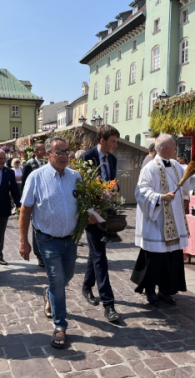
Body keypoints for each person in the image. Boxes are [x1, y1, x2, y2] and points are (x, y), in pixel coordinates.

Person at [19, 135, 96, 349]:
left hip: (70, 239)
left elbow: (83, 204)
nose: (65, 156)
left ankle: (49, 294)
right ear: (48, 154)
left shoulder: (76, 177)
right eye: (59, 152)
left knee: (67, 276)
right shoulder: (36, 177)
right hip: (47, 239)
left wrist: (91, 214)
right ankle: (60, 325)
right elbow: (25, 210)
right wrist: (23, 241)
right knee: (58, 280)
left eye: (67, 151)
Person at [131, 134, 195, 306]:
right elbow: (141, 192)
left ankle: (165, 290)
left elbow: (189, 181)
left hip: (174, 220)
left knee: (171, 259)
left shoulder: (175, 166)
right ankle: (150, 290)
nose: (176, 148)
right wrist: (159, 197)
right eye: (173, 145)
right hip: (157, 222)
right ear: (165, 148)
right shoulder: (149, 168)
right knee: (155, 260)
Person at [80, 124, 121, 323]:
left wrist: (115, 187)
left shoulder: (112, 159)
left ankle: (87, 286)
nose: (115, 145)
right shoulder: (86, 157)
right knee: (100, 257)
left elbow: (112, 181)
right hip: (92, 215)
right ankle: (109, 304)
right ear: (102, 140)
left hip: (107, 214)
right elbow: (82, 188)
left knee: (95, 253)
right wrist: (90, 211)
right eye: (113, 141)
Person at [21, 141, 47, 269]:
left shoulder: (49, 164)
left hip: (47, 201)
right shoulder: (29, 165)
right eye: (40, 149)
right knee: (36, 227)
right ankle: (39, 255)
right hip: (35, 202)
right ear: (35, 151)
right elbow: (25, 185)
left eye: (44, 149)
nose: (43, 151)